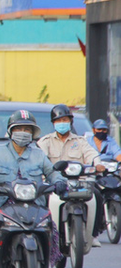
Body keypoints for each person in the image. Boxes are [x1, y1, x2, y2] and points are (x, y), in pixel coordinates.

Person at [0, 110, 66, 268]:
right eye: (19, 128)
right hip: (3, 203)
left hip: (34, 204)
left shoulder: (38, 154)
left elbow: (52, 173)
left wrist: (59, 182)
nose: (23, 132)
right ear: (10, 131)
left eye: (27, 129)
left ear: (33, 133)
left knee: (51, 227)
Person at [38, 104, 104, 247]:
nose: (62, 123)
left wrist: (98, 164)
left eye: (65, 120)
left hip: (78, 181)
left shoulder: (80, 141)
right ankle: (43, 230)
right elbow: (39, 158)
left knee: (97, 195)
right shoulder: (45, 141)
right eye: (59, 121)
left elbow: (91, 154)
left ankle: (93, 233)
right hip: (54, 182)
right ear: (53, 123)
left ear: (70, 122)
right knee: (40, 197)